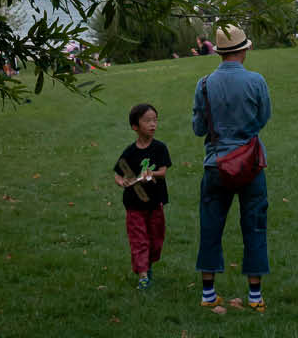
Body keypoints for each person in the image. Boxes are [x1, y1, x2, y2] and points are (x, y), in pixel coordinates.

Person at [191, 22, 271, 313]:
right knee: (255, 227)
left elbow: (199, 128)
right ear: (244, 50)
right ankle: (255, 297)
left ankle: (209, 294)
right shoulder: (257, 81)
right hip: (250, 164)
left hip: (215, 165)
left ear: (220, 52)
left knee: (210, 227)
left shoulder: (203, 84)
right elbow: (264, 118)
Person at [114, 102, 172, 289]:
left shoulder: (160, 148)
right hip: (134, 204)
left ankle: (147, 265)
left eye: (155, 120)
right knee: (139, 240)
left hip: (155, 203)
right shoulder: (130, 152)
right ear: (135, 126)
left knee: (156, 241)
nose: (153, 124)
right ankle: (143, 275)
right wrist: (122, 182)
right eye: (147, 121)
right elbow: (119, 173)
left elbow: (162, 171)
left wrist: (151, 174)